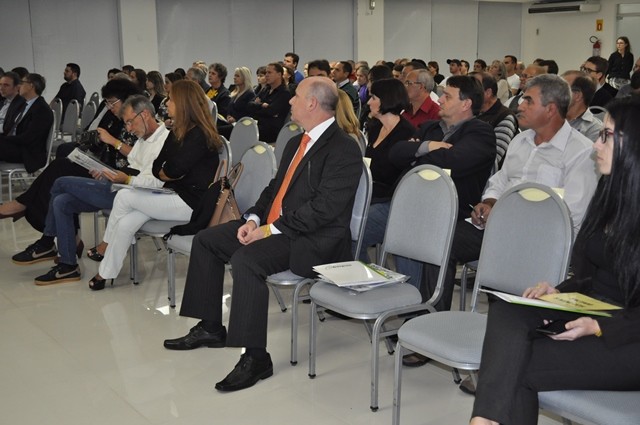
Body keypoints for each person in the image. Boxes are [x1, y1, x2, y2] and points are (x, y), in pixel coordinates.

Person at [162, 77, 362, 393]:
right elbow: (274, 189)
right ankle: (211, 327)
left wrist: (270, 229)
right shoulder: (296, 143)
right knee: (207, 240)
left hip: (312, 239)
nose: (290, 101)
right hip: (277, 228)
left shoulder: (343, 148)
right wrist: (254, 218)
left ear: (312, 103)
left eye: (296, 96)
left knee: (247, 260)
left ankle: (256, 358)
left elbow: (325, 209)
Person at [470, 96, 640, 425]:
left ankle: (483, 420)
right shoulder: (609, 194)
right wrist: (559, 292)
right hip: (597, 308)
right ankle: (484, 420)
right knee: (507, 307)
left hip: (629, 335)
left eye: (606, 136)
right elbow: (593, 276)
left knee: (516, 364)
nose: (596, 144)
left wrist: (600, 326)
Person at [13, 96, 170, 284]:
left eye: (130, 122)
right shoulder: (143, 138)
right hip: (121, 186)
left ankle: (47, 241)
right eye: (127, 123)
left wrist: (125, 178)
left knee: (60, 182)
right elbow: (133, 166)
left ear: (144, 114)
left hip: (133, 195)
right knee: (61, 201)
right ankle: (68, 265)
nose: (128, 128)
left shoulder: (165, 140)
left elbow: (155, 181)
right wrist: (108, 174)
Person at [87, 80, 221, 290]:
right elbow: (160, 166)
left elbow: (172, 170)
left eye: (171, 100)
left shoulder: (199, 135)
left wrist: (168, 173)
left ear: (183, 103)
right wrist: (168, 173)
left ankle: (105, 246)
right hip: (173, 194)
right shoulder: (178, 131)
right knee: (126, 222)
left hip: (192, 204)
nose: (166, 103)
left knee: (124, 196)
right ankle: (105, 273)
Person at [0, 79, 140, 230]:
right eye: (107, 103)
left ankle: (24, 206)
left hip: (121, 177)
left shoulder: (137, 123)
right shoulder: (116, 119)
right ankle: (46, 226)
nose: (110, 107)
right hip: (105, 168)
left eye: (112, 103)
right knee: (61, 182)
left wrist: (112, 141)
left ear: (126, 100)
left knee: (60, 172)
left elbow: (139, 155)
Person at [364, 78, 415, 204]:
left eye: (373, 98)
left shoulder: (406, 133)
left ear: (386, 100)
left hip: (388, 198)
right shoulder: (375, 127)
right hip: (368, 190)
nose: (369, 102)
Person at [0, 73, 53, 173]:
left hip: (28, 152)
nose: (19, 86)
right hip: (17, 146)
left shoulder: (42, 109)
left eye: (22, 83)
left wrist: (4, 139)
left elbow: (29, 137)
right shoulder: (25, 104)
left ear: (31, 86)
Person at [246, 62, 291, 144]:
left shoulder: (284, 93)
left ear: (279, 74)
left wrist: (257, 106)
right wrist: (262, 105)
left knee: (245, 132)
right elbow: (249, 105)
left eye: (269, 72)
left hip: (271, 131)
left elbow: (271, 111)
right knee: (240, 128)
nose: (266, 75)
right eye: (266, 72)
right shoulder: (266, 89)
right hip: (259, 125)